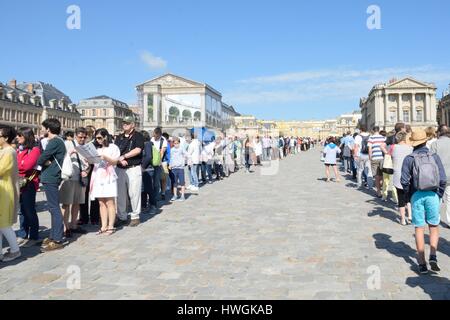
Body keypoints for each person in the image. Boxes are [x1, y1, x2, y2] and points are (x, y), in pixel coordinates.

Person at [401, 129, 447, 274]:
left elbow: (404, 181)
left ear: (413, 143)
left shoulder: (409, 158)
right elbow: (443, 178)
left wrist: (409, 195)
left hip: (416, 195)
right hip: (432, 194)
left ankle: (421, 263)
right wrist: (438, 194)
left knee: (419, 228)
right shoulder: (434, 156)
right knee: (433, 226)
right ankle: (433, 255)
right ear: (426, 141)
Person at [37, 119, 67, 252]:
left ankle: (58, 239)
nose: (42, 130)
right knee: (52, 207)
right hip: (50, 176)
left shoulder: (54, 141)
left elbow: (41, 158)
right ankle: (53, 235)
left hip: (51, 177)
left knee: (54, 208)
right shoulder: (56, 141)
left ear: (48, 129)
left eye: (43, 128)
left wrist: (44, 161)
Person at [114, 116, 144, 227]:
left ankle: (135, 216)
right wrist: (119, 160)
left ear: (132, 124)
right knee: (120, 194)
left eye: (127, 123)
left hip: (133, 167)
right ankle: (122, 216)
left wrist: (124, 156)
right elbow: (115, 150)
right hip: (120, 168)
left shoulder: (138, 136)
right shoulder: (119, 137)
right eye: (123, 123)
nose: (124, 124)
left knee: (134, 193)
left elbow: (138, 149)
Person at [60, 127, 90, 238]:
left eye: (84, 137)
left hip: (81, 178)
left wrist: (87, 171)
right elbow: (60, 157)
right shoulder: (68, 144)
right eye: (80, 137)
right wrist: (70, 152)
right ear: (75, 136)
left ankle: (73, 225)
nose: (82, 139)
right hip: (69, 177)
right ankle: (64, 226)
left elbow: (89, 164)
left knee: (77, 202)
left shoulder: (87, 147)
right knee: (66, 203)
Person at [90, 129, 121, 235]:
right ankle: (103, 225)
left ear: (105, 137)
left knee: (110, 201)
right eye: (96, 138)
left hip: (109, 176)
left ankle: (111, 226)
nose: (98, 140)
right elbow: (94, 163)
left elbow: (115, 161)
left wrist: (106, 157)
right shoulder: (97, 149)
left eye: (99, 137)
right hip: (98, 175)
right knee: (101, 202)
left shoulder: (113, 147)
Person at [16, 127, 41, 248]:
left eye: (20, 136)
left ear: (26, 136)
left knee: (29, 210)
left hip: (28, 183)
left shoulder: (34, 150)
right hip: (18, 182)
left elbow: (26, 166)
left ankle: (34, 236)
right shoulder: (19, 150)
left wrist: (17, 165)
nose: (17, 138)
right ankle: (23, 233)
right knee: (21, 211)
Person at [0, 125, 21, 262]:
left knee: (4, 223)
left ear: (5, 138)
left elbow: (1, 169)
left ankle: (15, 250)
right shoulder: (4, 150)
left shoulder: (8, 152)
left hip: (5, 190)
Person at [79, 125, 100, 226]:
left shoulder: (96, 144)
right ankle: (85, 217)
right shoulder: (80, 145)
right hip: (85, 170)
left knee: (93, 194)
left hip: (94, 170)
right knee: (84, 194)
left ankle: (93, 217)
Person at [430, 125, 450, 228]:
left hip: (439, 175)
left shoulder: (435, 144)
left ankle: (435, 218)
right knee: (449, 198)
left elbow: (431, 161)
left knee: (437, 197)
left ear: (439, 133)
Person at [392, 131, 413, 225]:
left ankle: (403, 219)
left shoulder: (394, 147)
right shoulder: (410, 148)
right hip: (408, 174)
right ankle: (410, 216)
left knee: (400, 198)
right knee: (409, 197)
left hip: (397, 174)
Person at [141, 130, 157, 215]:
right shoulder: (147, 144)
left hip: (148, 169)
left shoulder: (147, 144)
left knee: (149, 189)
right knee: (143, 189)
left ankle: (153, 206)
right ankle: (143, 206)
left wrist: (142, 166)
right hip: (145, 169)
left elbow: (149, 156)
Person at [368, 126, 387, 198]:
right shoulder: (383, 138)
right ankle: (382, 187)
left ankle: (378, 192)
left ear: (373, 130)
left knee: (376, 176)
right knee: (382, 174)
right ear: (379, 130)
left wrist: (370, 157)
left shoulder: (371, 138)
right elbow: (385, 146)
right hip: (382, 158)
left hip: (375, 157)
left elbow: (370, 149)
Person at [151, 128, 168, 201]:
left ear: (160, 135)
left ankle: (163, 193)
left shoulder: (163, 140)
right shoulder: (152, 139)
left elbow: (162, 152)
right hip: (153, 161)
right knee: (155, 179)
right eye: (154, 135)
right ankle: (155, 194)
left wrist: (159, 161)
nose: (155, 137)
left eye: (156, 136)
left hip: (162, 161)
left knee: (163, 178)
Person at [169, 137, 187, 201]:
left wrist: (189, 160)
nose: (176, 144)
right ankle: (175, 195)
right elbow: (171, 158)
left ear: (179, 143)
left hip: (180, 168)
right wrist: (170, 165)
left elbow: (186, 154)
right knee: (174, 183)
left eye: (177, 143)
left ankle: (182, 196)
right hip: (174, 168)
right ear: (173, 143)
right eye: (175, 143)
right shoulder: (172, 150)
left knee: (182, 182)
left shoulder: (182, 149)